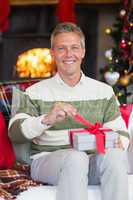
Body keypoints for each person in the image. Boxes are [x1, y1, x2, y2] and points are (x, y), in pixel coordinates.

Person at [8, 22, 129, 200]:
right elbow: (15, 132)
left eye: (74, 48)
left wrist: (120, 142)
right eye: (61, 48)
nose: (68, 54)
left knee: (115, 155)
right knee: (76, 158)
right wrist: (46, 119)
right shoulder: (34, 92)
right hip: (48, 161)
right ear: (52, 53)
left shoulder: (103, 91)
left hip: (93, 162)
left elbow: (120, 132)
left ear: (83, 52)